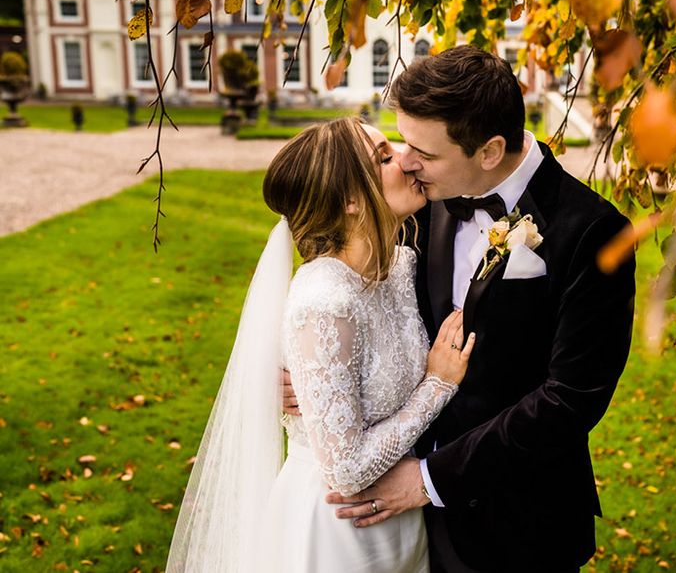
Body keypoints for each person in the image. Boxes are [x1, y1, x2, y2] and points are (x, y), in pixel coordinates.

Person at [322, 46, 636, 572]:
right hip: (403, 525)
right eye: (403, 142)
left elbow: (570, 399)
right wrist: (322, 368)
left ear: (490, 151)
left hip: (521, 525)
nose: (403, 161)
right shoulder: (422, 198)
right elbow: (368, 299)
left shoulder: (592, 231)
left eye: (424, 150)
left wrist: (428, 480)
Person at [166, 117, 475, 573]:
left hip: (402, 524)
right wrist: (437, 385)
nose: (407, 161)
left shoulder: (399, 267)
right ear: (351, 200)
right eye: (385, 157)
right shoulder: (324, 302)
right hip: (339, 531)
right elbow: (346, 470)